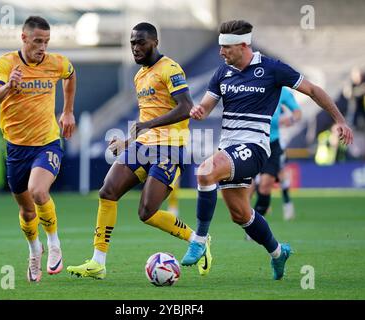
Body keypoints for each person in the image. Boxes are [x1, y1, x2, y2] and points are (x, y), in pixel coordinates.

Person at [181, 20, 353, 280]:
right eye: (219, 47)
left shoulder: (272, 69)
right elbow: (205, 106)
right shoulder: (222, 74)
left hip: (256, 146)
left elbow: (314, 90)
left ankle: (199, 239)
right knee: (240, 215)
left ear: (243, 45)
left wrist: (339, 120)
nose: (221, 52)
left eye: (226, 47)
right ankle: (277, 252)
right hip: (229, 146)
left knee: (205, 172)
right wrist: (199, 111)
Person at [67, 22, 211, 279]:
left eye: (141, 42)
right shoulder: (139, 75)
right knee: (107, 191)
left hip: (170, 147)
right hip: (144, 145)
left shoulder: (170, 68)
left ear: (154, 42)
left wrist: (149, 125)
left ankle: (198, 240)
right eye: (132, 42)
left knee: (146, 212)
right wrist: (127, 141)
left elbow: (186, 106)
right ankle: (98, 262)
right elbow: (147, 116)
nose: (135, 48)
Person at [0, 16, 76, 282]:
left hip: (46, 143)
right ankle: (34, 249)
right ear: (24, 38)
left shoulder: (56, 62)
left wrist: (68, 111)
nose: (43, 47)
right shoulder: (5, 64)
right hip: (16, 149)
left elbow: (70, 74)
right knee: (26, 212)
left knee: (39, 191)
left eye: (46, 42)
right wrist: (8, 87)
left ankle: (54, 243)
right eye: (38, 41)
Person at [253, 87, 301, 222]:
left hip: (276, 142)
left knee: (277, 175)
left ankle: (286, 202)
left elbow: (297, 113)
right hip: (253, 142)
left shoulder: (283, 92)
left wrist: (289, 120)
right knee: (251, 185)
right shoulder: (253, 85)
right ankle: (259, 211)